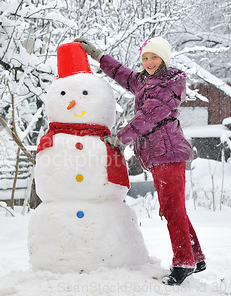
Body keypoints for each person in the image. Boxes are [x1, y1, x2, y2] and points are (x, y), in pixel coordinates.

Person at [75, 37, 206, 286]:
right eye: (145, 58)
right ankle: (195, 257)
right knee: (173, 207)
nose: (149, 62)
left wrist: (121, 138)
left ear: (164, 59)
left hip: (168, 153)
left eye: (154, 57)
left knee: (171, 208)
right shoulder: (144, 82)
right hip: (159, 155)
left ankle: (183, 262)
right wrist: (98, 56)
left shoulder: (167, 86)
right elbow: (121, 73)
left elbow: (148, 116)